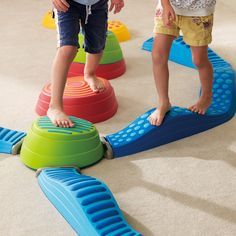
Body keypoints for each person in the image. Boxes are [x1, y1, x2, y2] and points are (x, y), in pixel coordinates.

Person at [48, 0, 124, 127]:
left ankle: (89, 74)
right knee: (67, 49)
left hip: (98, 5)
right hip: (67, 4)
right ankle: (55, 106)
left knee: (97, 45)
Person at [149, 0, 216, 126]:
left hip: (198, 11)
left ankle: (206, 97)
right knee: (158, 56)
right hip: (169, 6)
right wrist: (165, 4)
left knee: (199, 60)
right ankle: (164, 102)